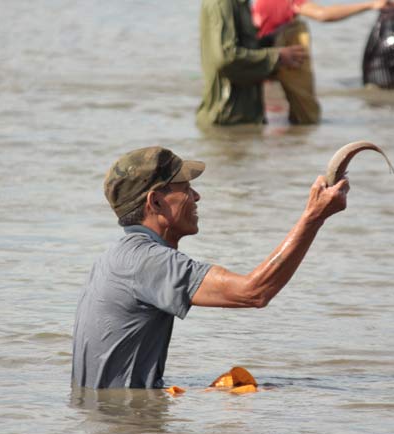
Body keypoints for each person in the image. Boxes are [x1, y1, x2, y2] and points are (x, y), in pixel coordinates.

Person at [71, 146, 349, 388]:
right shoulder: (147, 261)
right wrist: (313, 218)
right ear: (155, 201)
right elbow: (254, 292)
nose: (196, 196)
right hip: (125, 424)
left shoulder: (115, 258)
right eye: (185, 189)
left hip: (108, 418)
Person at [252, 0, 390, 124]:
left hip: (262, 68)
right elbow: (323, 14)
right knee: (307, 121)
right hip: (274, 63)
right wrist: (370, 5)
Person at [196, 0, 308, 126]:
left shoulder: (240, 3)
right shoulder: (221, 3)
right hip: (226, 120)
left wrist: (273, 39)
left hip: (244, 118)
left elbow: (246, 48)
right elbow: (225, 58)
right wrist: (277, 57)